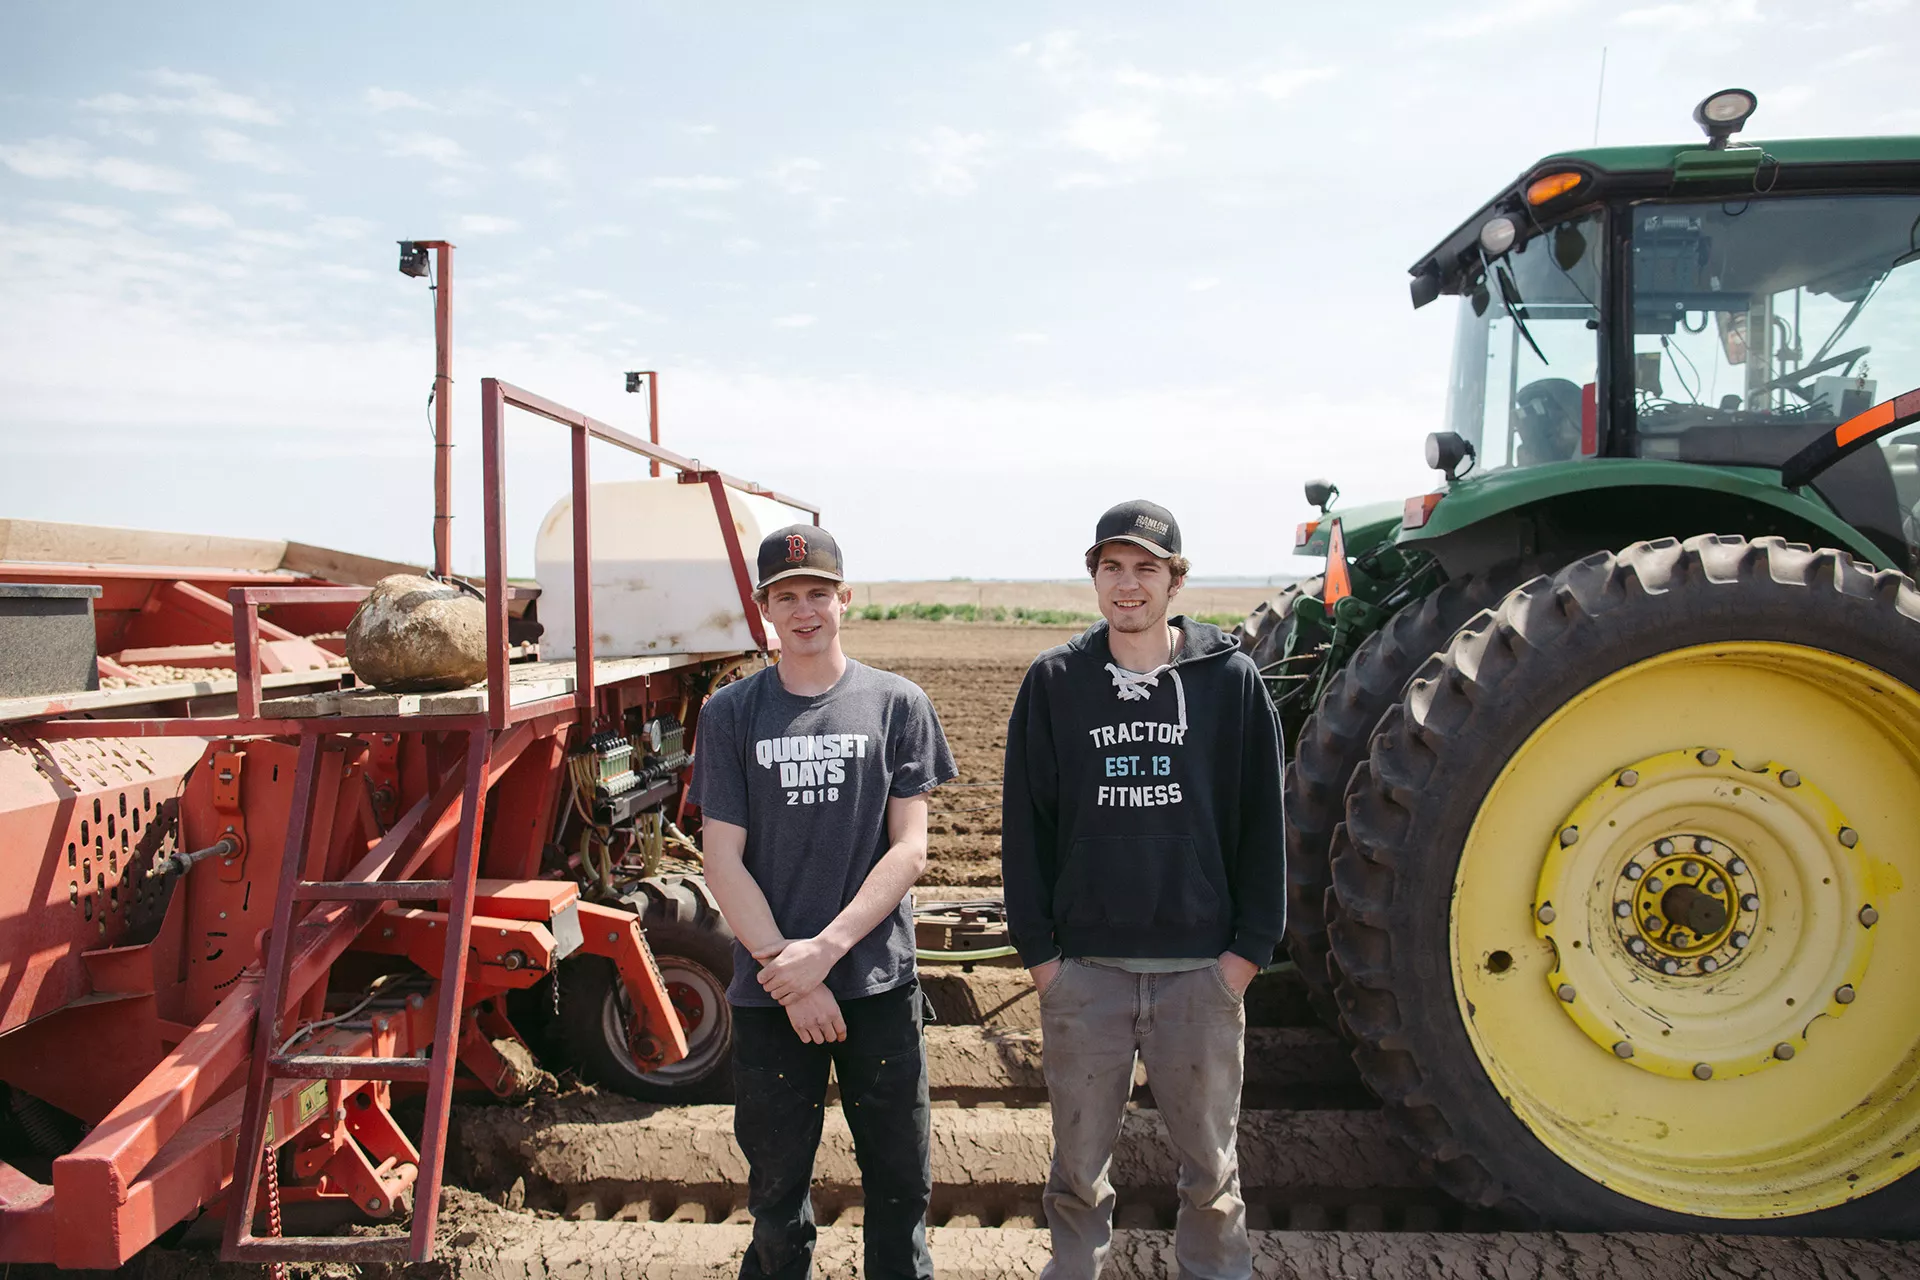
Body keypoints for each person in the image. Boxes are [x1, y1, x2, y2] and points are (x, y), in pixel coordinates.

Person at [1001, 499, 1286, 1280]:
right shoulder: (1057, 682)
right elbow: (1024, 828)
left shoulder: (1230, 682)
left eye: (1146, 569)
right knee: (1077, 1177)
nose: (1128, 586)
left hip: (1199, 974)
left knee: (1213, 1178)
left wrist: (1245, 955)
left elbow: (1265, 822)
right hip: (1086, 976)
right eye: (1112, 568)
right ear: (1094, 577)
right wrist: (1044, 961)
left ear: (1175, 580)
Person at [690, 523, 957, 1280]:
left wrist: (825, 955)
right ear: (764, 609)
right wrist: (786, 969)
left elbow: (909, 849)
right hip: (771, 992)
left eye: (818, 593)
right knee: (776, 1196)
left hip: (875, 984)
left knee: (901, 1189)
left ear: (845, 599)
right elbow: (722, 856)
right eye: (785, 596)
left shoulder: (897, 704)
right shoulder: (732, 714)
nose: (803, 610)